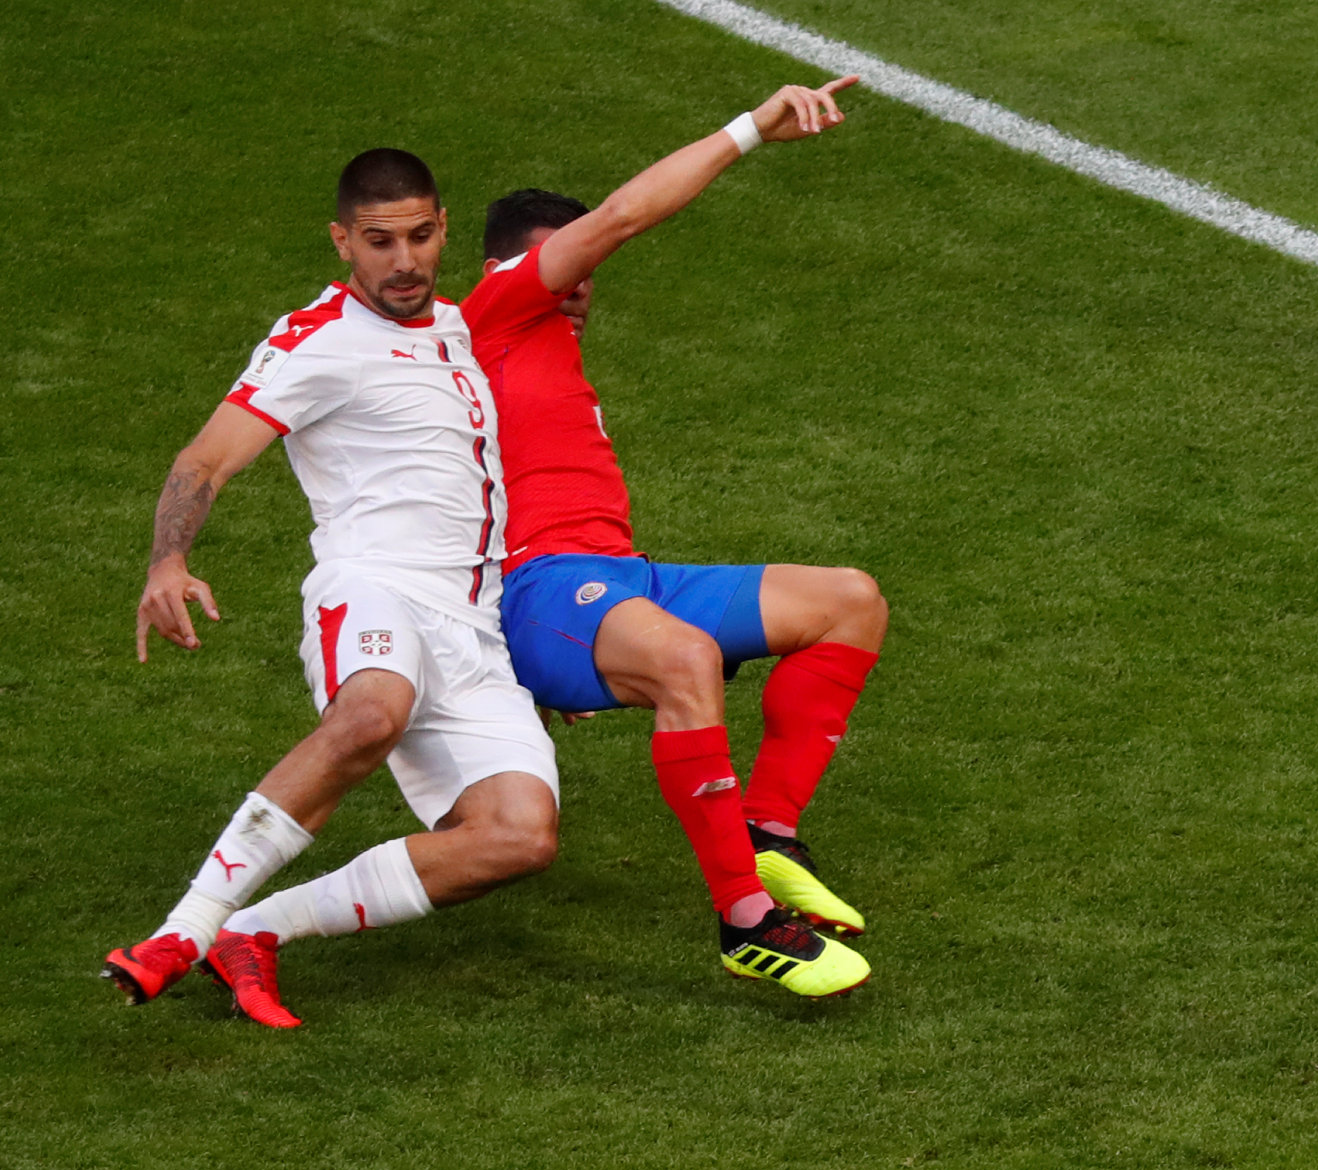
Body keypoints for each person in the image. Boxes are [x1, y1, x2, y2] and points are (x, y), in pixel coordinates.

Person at [108, 147, 560, 1029]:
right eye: (380, 242)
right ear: (343, 242)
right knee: (369, 713)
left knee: (519, 837)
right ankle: (182, 929)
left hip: (474, 628)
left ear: (441, 230)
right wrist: (168, 561)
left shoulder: (461, 329)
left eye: (422, 236)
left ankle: (254, 930)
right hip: (373, 584)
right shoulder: (315, 338)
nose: (406, 262)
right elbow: (204, 458)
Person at [459, 80, 879, 998]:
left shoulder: (545, 355)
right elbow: (622, 216)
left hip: (615, 580)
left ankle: (765, 836)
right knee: (686, 657)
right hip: (542, 591)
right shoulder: (489, 313)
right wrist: (752, 129)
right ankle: (746, 923)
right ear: (509, 267)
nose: (579, 288)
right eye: (564, 268)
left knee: (850, 599)